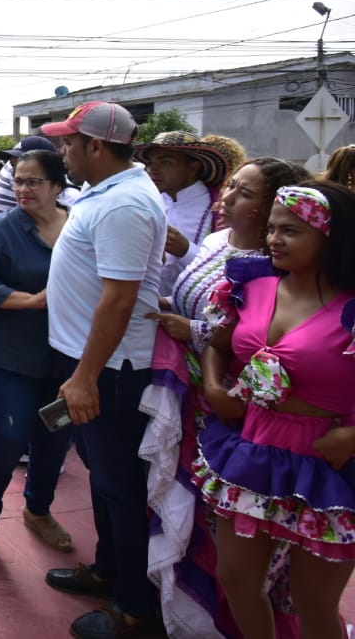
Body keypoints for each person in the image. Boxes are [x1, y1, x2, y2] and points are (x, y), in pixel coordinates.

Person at [140, 157, 310, 638]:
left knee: (228, 526)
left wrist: (190, 330)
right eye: (231, 185)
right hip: (191, 395)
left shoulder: (275, 269)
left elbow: (254, 340)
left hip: (234, 413)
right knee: (190, 512)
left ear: (270, 208)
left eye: (244, 193)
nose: (227, 197)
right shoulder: (215, 243)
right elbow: (198, 304)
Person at [192, 182, 355, 639]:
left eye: (291, 231)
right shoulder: (250, 284)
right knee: (237, 579)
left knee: (313, 601)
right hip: (254, 448)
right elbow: (218, 345)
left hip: (329, 465)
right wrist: (213, 386)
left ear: (332, 237)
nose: (274, 240)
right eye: (272, 229)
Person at [40, 101, 167, 639]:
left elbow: (119, 300)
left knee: (120, 486)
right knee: (104, 478)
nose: (62, 151)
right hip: (93, 361)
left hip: (111, 369)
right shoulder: (105, 193)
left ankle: (134, 606)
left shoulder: (124, 204)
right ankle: (110, 569)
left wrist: (86, 376)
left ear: (95, 145)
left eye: (68, 143)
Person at [0, 149, 75, 566]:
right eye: (18, 181)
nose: (23, 189)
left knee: (55, 438)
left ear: (58, 185)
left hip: (67, 359)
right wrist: (32, 301)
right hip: (8, 357)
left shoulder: (80, 226)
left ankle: (38, 510)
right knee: (7, 437)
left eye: (33, 182)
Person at [134, 131, 229, 297]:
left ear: (192, 168)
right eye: (150, 162)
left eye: (165, 162)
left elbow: (226, 269)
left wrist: (186, 250)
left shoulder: (220, 209)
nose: (152, 169)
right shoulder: (146, 201)